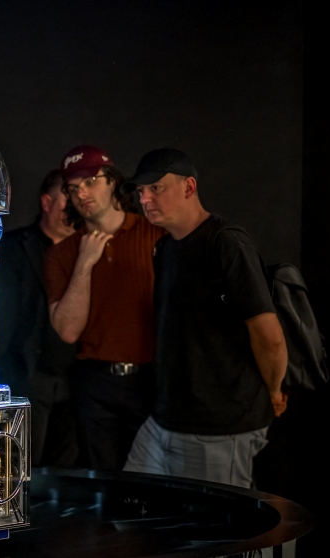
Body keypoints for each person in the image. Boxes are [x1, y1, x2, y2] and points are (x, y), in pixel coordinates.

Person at [122, 149, 287, 487]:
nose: (145, 199)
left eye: (156, 188)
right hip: (165, 420)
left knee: (215, 519)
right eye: (141, 191)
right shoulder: (165, 249)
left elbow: (269, 335)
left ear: (189, 187)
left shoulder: (225, 242)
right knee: (135, 504)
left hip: (220, 426)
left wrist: (273, 391)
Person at [44, 146, 165, 470]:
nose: (81, 193)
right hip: (95, 384)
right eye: (73, 188)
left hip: (153, 379)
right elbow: (68, 331)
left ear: (112, 181)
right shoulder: (62, 254)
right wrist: (84, 264)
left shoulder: (157, 236)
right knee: (104, 483)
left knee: (154, 481)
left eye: (90, 181)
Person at [0, 169, 79, 467]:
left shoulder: (85, 249)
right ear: (47, 203)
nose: (74, 208)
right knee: (22, 468)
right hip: (26, 378)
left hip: (75, 381)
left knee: (66, 471)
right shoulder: (12, 247)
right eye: (67, 200)